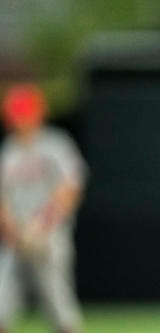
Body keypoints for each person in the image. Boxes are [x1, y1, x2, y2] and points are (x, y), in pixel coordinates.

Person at [0, 84, 86, 333]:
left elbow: (70, 189)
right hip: (13, 238)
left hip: (49, 235)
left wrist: (41, 225)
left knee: (57, 300)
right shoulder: (8, 151)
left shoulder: (55, 145)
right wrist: (13, 229)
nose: (19, 121)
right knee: (2, 298)